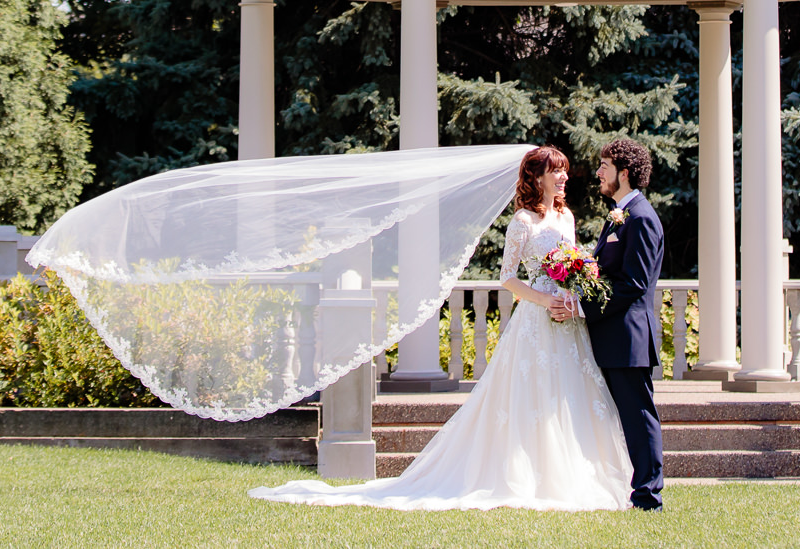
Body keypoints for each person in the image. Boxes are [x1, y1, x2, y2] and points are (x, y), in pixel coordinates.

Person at [249, 145, 634, 511]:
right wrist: (543, 299)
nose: (563, 176)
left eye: (564, 170)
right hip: (537, 317)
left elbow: (573, 263)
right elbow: (507, 279)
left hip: (567, 320)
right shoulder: (522, 222)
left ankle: (575, 473)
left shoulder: (566, 217)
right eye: (555, 170)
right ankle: (528, 476)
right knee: (532, 395)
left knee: (568, 395)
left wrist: (573, 293)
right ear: (537, 177)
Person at [577, 136, 666, 511]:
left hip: (627, 339)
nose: (598, 172)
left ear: (624, 174)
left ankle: (648, 495)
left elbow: (634, 284)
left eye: (604, 166)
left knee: (639, 417)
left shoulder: (641, 218)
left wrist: (584, 309)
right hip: (610, 338)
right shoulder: (618, 215)